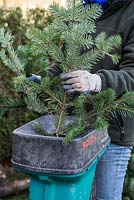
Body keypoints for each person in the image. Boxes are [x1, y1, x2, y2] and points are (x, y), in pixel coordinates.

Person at [29, 0, 134, 199]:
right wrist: (43, 80)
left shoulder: (130, 12)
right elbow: (64, 63)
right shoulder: (80, 11)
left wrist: (97, 81)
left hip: (113, 131)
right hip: (74, 129)